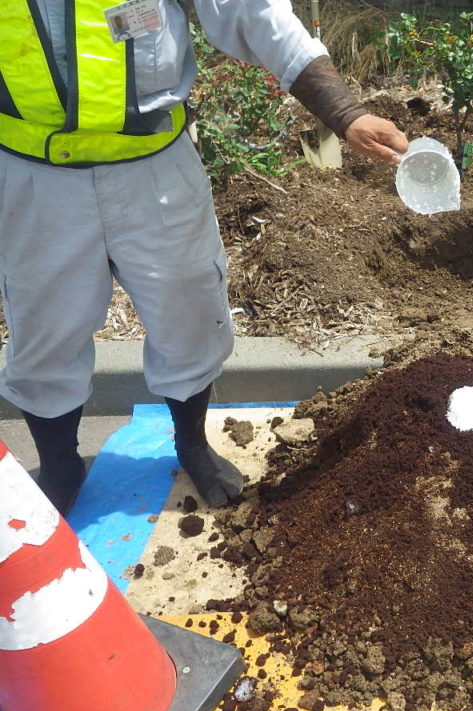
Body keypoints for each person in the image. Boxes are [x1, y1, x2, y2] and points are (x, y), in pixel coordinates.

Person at [0, 0, 408, 513]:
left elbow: (252, 11)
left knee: (189, 315)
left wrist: (344, 111)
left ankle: (192, 443)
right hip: (34, 177)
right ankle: (59, 464)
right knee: (44, 330)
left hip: (155, 169)